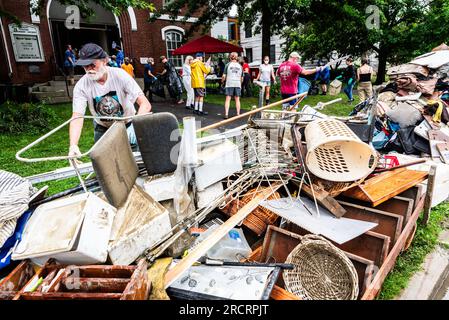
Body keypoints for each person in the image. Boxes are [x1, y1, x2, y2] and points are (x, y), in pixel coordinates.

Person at [68, 43, 151, 159]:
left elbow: (145, 104)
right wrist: (73, 145)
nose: (89, 69)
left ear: (104, 61)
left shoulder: (120, 75)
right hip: (103, 128)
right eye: (85, 66)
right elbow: (77, 117)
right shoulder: (81, 86)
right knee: (104, 165)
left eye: (92, 65)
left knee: (134, 164)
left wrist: (136, 126)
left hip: (127, 125)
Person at [222, 52, 243, 119]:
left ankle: (226, 114)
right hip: (237, 83)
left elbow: (224, 76)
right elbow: (241, 78)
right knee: (237, 99)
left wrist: (222, 81)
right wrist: (240, 84)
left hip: (229, 83)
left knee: (228, 99)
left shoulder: (227, 65)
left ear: (230, 57)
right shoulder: (240, 66)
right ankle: (238, 114)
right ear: (237, 58)